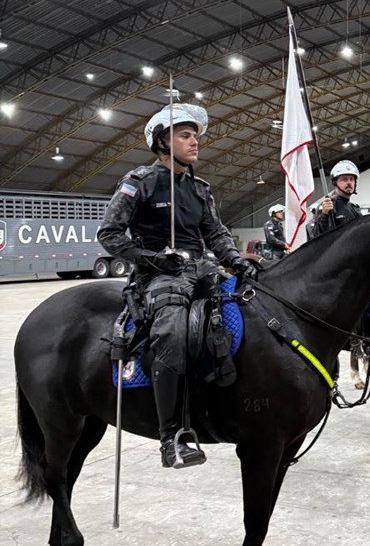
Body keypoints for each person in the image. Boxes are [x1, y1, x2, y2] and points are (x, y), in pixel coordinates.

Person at [98, 104, 258, 469]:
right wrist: (151, 259)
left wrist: (234, 259)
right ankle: (172, 436)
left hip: (201, 268)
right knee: (171, 330)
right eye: (185, 136)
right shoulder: (139, 182)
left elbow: (215, 233)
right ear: (162, 142)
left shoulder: (200, 189)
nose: (194, 142)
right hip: (158, 274)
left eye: (195, 136)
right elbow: (109, 234)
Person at [312, 160, 362, 236]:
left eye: (351, 179)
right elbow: (317, 237)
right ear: (335, 182)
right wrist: (324, 216)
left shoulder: (354, 208)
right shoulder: (327, 205)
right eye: (344, 179)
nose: (349, 182)